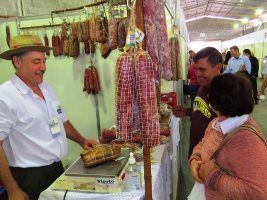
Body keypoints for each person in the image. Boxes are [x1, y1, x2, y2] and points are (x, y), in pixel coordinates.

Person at [0, 34, 98, 200]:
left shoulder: (45, 87)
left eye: (44, 61)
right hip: (29, 178)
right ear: (17, 62)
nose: (43, 67)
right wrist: (13, 190)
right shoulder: (5, 96)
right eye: (36, 62)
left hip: (55, 169)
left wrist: (82, 141)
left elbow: (61, 120)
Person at [189, 73, 267, 199]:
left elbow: (259, 192)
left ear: (216, 103)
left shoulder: (247, 141)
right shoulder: (217, 123)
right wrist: (195, 160)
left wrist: (211, 176)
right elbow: (203, 143)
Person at [172, 47, 222, 157]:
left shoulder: (224, 94)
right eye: (196, 69)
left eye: (202, 69)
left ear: (218, 67)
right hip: (197, 152)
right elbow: (204, 111)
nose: (197, 74)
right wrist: (187, 111)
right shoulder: (203, 87)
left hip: (209, 160)